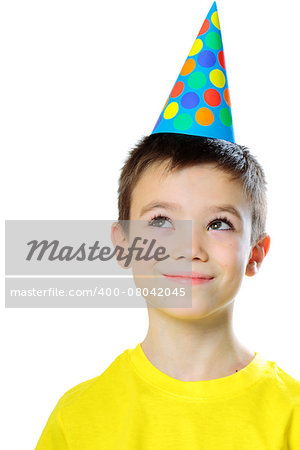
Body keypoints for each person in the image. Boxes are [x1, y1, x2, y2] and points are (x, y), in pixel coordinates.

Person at [35, 2, 300, 449]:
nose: (188, 246)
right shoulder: (79, 419)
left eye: (219, 223)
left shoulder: (291, 417)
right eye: (160, 221)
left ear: (256, 252)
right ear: (123, 246)